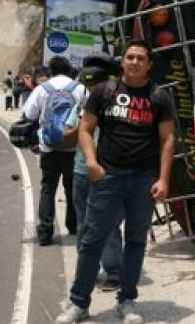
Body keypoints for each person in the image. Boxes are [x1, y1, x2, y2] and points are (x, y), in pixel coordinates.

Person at [56, 40, 175, 324]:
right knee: (92, 240)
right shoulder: (103, 92)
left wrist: (163, 178)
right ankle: (79, 303)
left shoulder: (159, 97)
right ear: (122, 62)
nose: (134, 62)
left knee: (135, 241)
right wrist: (92, 162)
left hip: (143, 180)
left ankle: (127, 300)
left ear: (149, 64)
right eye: (130, 57)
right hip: (108, 177)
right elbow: (85, 129)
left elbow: (168, 139)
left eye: (140, 58)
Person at [67, 63, 123, 292]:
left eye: (94, 83)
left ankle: (114, 272)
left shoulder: (118, 105)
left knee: (109, 224)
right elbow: (68, 133)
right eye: (87, 84)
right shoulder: (81, 105)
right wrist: (79, 128)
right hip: (81, 171)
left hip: (108, 173)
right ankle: (86, 271)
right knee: (84, 225)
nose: (90, 89)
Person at [21, 56, 86, 245]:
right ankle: (73, 226)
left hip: (48, 147)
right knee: (72, 188)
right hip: (73, 147)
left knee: (48, 188)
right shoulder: (79, 88)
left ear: (50, 72)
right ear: (69, 70)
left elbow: (28, 114)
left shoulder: (42, 89)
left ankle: (45, 232)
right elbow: (88, 113)